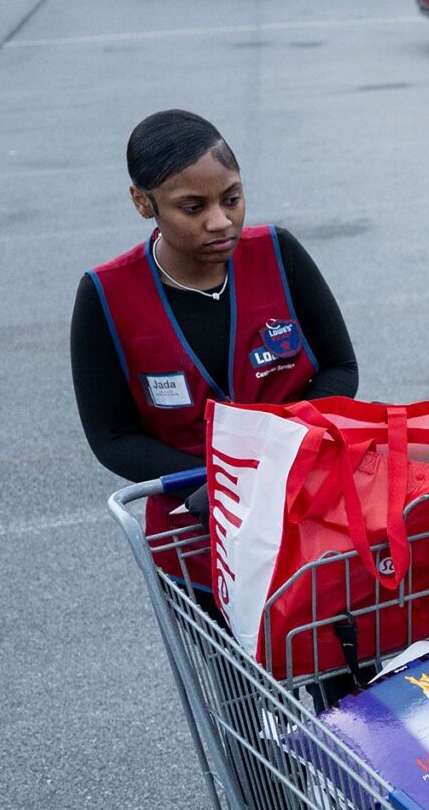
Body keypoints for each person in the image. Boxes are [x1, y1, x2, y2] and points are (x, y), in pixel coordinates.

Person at [71, 111, 357, 550]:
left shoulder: (280, 255)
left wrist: (283, 448)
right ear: (143, 202)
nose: (221, 221)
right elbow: (113, 437)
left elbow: (339, 366)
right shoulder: (106, 295)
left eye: (231, 198)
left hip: (310, 510)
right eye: (193, 207)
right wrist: (214, 481)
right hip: (196, 535)